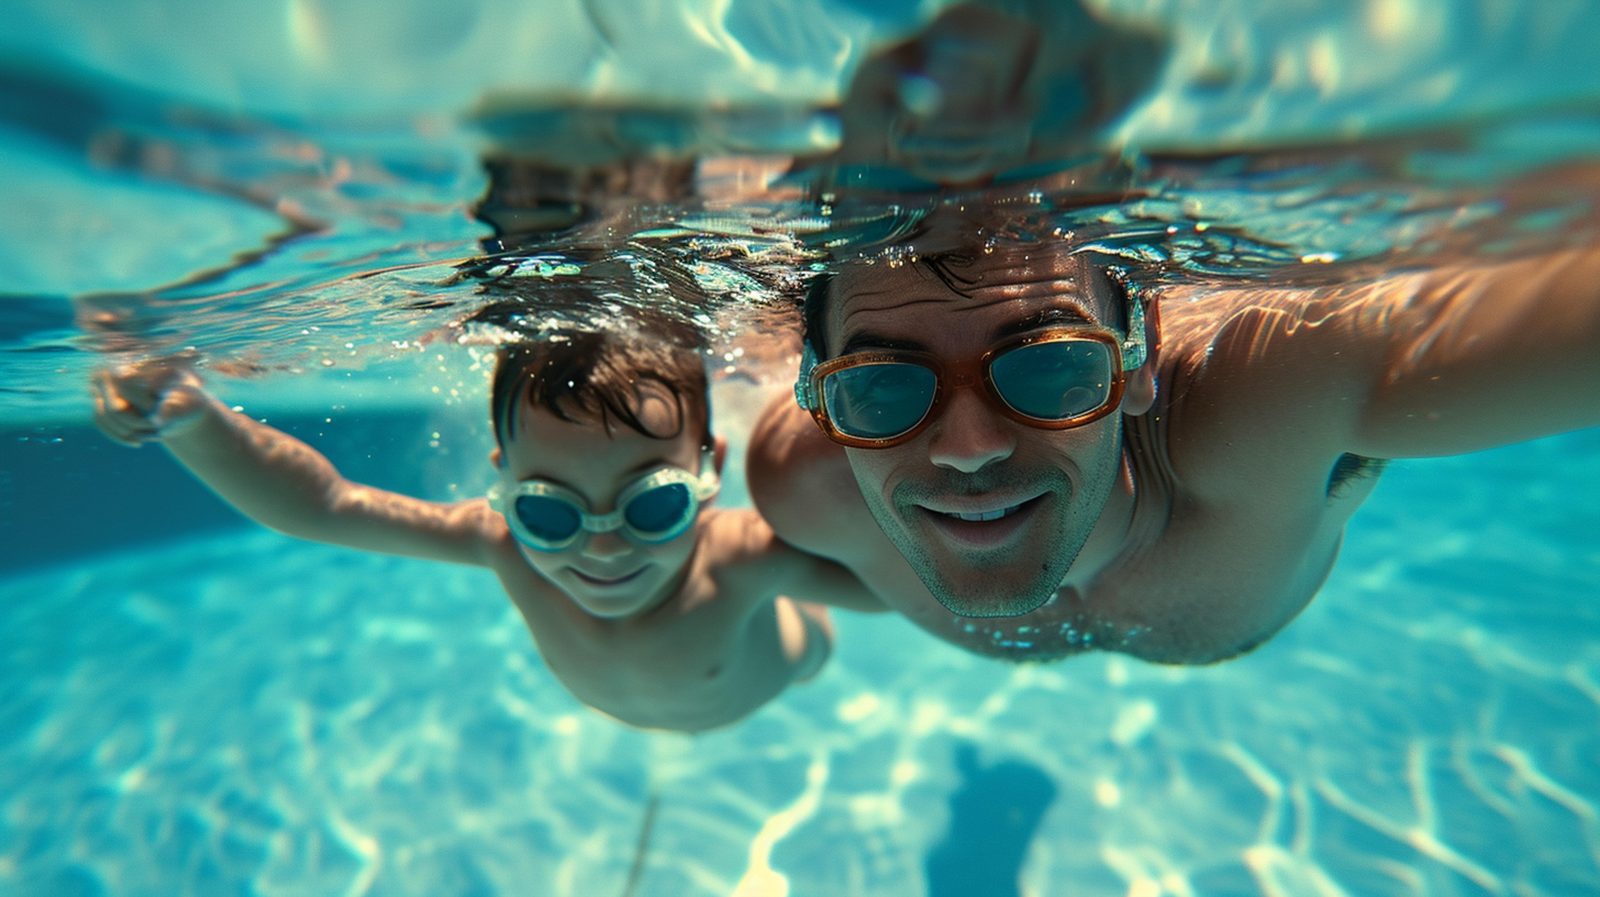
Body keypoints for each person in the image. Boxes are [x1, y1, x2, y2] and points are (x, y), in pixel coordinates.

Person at [748, 211, 1600, 664]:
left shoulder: (1269, 399)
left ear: (1139, 359)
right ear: (821, 398)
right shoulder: (802, 487)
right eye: (883, 387)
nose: (968, 445)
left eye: (1050, 366)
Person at [92, 304, 881, 732]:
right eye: (548, 513)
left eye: (653, 503)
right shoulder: (494, 543)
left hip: (785, 664)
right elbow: (326, 505)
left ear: (708, 472)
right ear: (504, 484)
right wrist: (190, 419)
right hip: (654, 706)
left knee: (816, 613)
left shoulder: (739, 557)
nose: (603, 545)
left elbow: (898, 590)